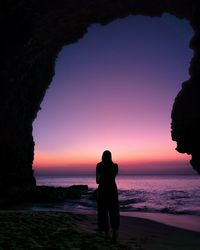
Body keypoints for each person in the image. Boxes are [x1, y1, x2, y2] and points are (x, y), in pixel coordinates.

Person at [96, 150, 120, 242]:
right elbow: (113, 177)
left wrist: (103, 178)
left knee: (103, 212)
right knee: (114, 212)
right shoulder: (115, 166)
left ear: (102, 156)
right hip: (112, 190)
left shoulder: (99, 165)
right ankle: (114, 233)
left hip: (102, 190)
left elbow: (97, 181)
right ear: (111, 156)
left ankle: (106, 233)